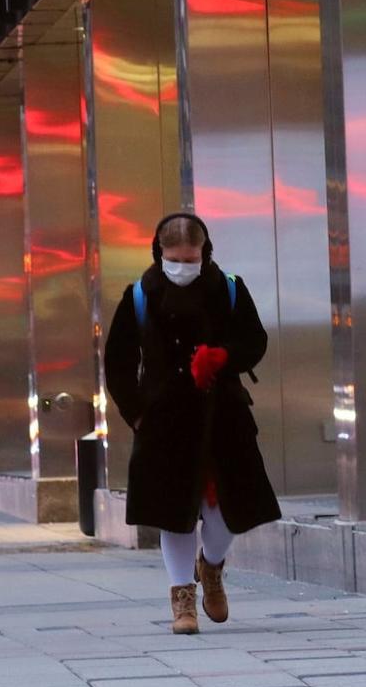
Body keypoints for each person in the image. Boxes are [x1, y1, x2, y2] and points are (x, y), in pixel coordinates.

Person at [104, 213, 282, 635]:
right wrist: (139, 413)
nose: (183, 265)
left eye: (191, 257)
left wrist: (223, 357)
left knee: (225, 512)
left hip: (225, 416)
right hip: (165, 422)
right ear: (159, 253)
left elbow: (254, 340)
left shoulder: (230, 290)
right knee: (174, 513)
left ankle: (212, 565)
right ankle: (182, 599)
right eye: (174, 258)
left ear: (205, 253)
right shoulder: (139, 297)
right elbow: (119, 362)